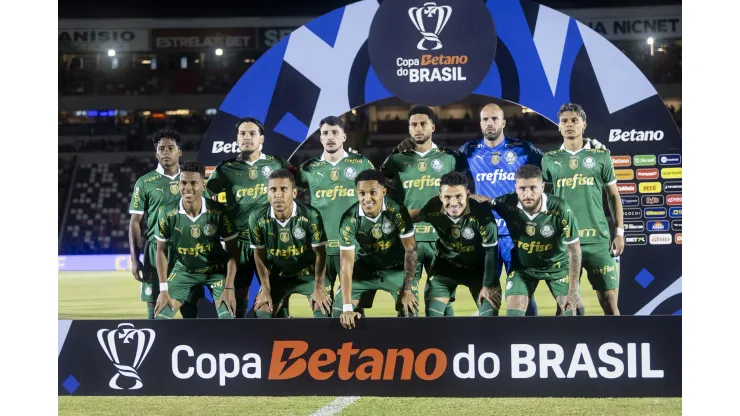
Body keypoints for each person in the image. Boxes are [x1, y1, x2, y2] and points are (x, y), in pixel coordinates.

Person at [381, 105, 466, 316]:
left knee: (441, 304)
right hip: (409, 240)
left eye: (423, 124)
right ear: (409, 129)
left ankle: (448, 346)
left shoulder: (449, 158)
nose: (418, 128)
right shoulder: (397, 159)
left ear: (433, 127)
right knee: (406, 303)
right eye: (413, 125)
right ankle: (412, 347)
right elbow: (378, 185)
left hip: (441, 239)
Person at [541, 103, 624, 315]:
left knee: (609, 302)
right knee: (567, 307)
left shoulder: (600, 156)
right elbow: (545, 199)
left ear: (583, 125)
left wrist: (619, 232)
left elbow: (613, 195)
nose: (569, 124)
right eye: (564, 121)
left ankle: (617, 344)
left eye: (574, 120)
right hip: (564, 241)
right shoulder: (549, 159)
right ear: (558, 126)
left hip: (597, 238)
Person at [206, 117, 292, 318]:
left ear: (261, 138)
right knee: (237, 295)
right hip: (238, 242)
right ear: (237, 138)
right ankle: (239, 338)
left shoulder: (277, 163)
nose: (247, 137)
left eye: (252, 133)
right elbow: (206, 199)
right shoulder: (225, 169)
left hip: (270, 240)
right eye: (242, 134)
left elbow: (301, 183)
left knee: (275, 293)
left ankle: (281, 337)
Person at [295, 116, 375, 314]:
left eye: (334, 133)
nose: (330, 137)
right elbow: (288, 195)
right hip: (319, 249)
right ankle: (324, 345)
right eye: (325, 133)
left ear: (344, 136)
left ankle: (359, 345)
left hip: (354, 248)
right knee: (320, 310)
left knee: (353, 312)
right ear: (320, 139)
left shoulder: (360, 163)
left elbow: (378, 197)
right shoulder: (309, 169)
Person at [488, 164, 582, 316]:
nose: (527, 194)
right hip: (523, 269)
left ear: (542, 186)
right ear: (516, 188)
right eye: (522, 188)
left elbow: (574, 250)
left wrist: (573, 290)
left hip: (557, 267)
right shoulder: (506, 202)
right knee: (513, 316)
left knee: (574, 313)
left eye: (533, 188)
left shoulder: (560, 208)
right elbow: (484, 201)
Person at [153, 160, 239, 320]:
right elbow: (161, 250)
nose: (187, 188)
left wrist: (228, 287)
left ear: (203, 186)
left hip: (216, 271)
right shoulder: (167, 213)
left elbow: (233, 251)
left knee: (228, 318)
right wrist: (163, 289)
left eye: (193, 183)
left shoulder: (219, 211)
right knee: (161, 317)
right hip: (184, 271)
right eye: (183, 182)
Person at [128, 129, 199, 319]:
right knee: (154, 303)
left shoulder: (192, 180)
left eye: (170, 148)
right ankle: (154, 344)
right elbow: (135, 222)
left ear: (179, 152)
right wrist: (135, 259)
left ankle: (192, 345)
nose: (166, 152)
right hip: (155, 249)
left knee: (189, 303)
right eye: (161, 148)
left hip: (187, 249)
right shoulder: (145, 182)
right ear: (156, 153)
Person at [337, 169, 419, 329]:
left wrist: (407, 289)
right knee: (339, 310)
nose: (367, 198)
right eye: (362, 193)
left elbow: (411, 251)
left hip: (396, 269)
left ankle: (405, 349)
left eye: (373, 192)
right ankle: (355, 348)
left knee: (410, 309)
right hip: (366, 268)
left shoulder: (396, 209)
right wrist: (347, 308)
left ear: (383, 191)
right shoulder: (349, 219)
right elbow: (346, 264)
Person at [412, 172, 501, 316]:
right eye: (447, 197)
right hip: (445, 268)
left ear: (468, 194)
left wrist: (488, 285)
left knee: (490, 319)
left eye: (459, 196)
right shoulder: (433, 207)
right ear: (440, 196)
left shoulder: (482, 214)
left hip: (478, 270)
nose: (453, 203)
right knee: (432, 319)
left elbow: (491, 252)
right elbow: (415, 216)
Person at [249, 169, 333, 318]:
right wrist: (266, 289)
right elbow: (258, 254)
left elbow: (320, 253)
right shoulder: (256, 218)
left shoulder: (311, 215)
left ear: (294, 193)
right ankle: (282, 320)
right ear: (267, 193)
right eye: (273, 190)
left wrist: (319, 287)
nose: (278, 195)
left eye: (284, 189)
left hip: (309, 275)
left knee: (324, 311)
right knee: (262, 314)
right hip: (278, 277)